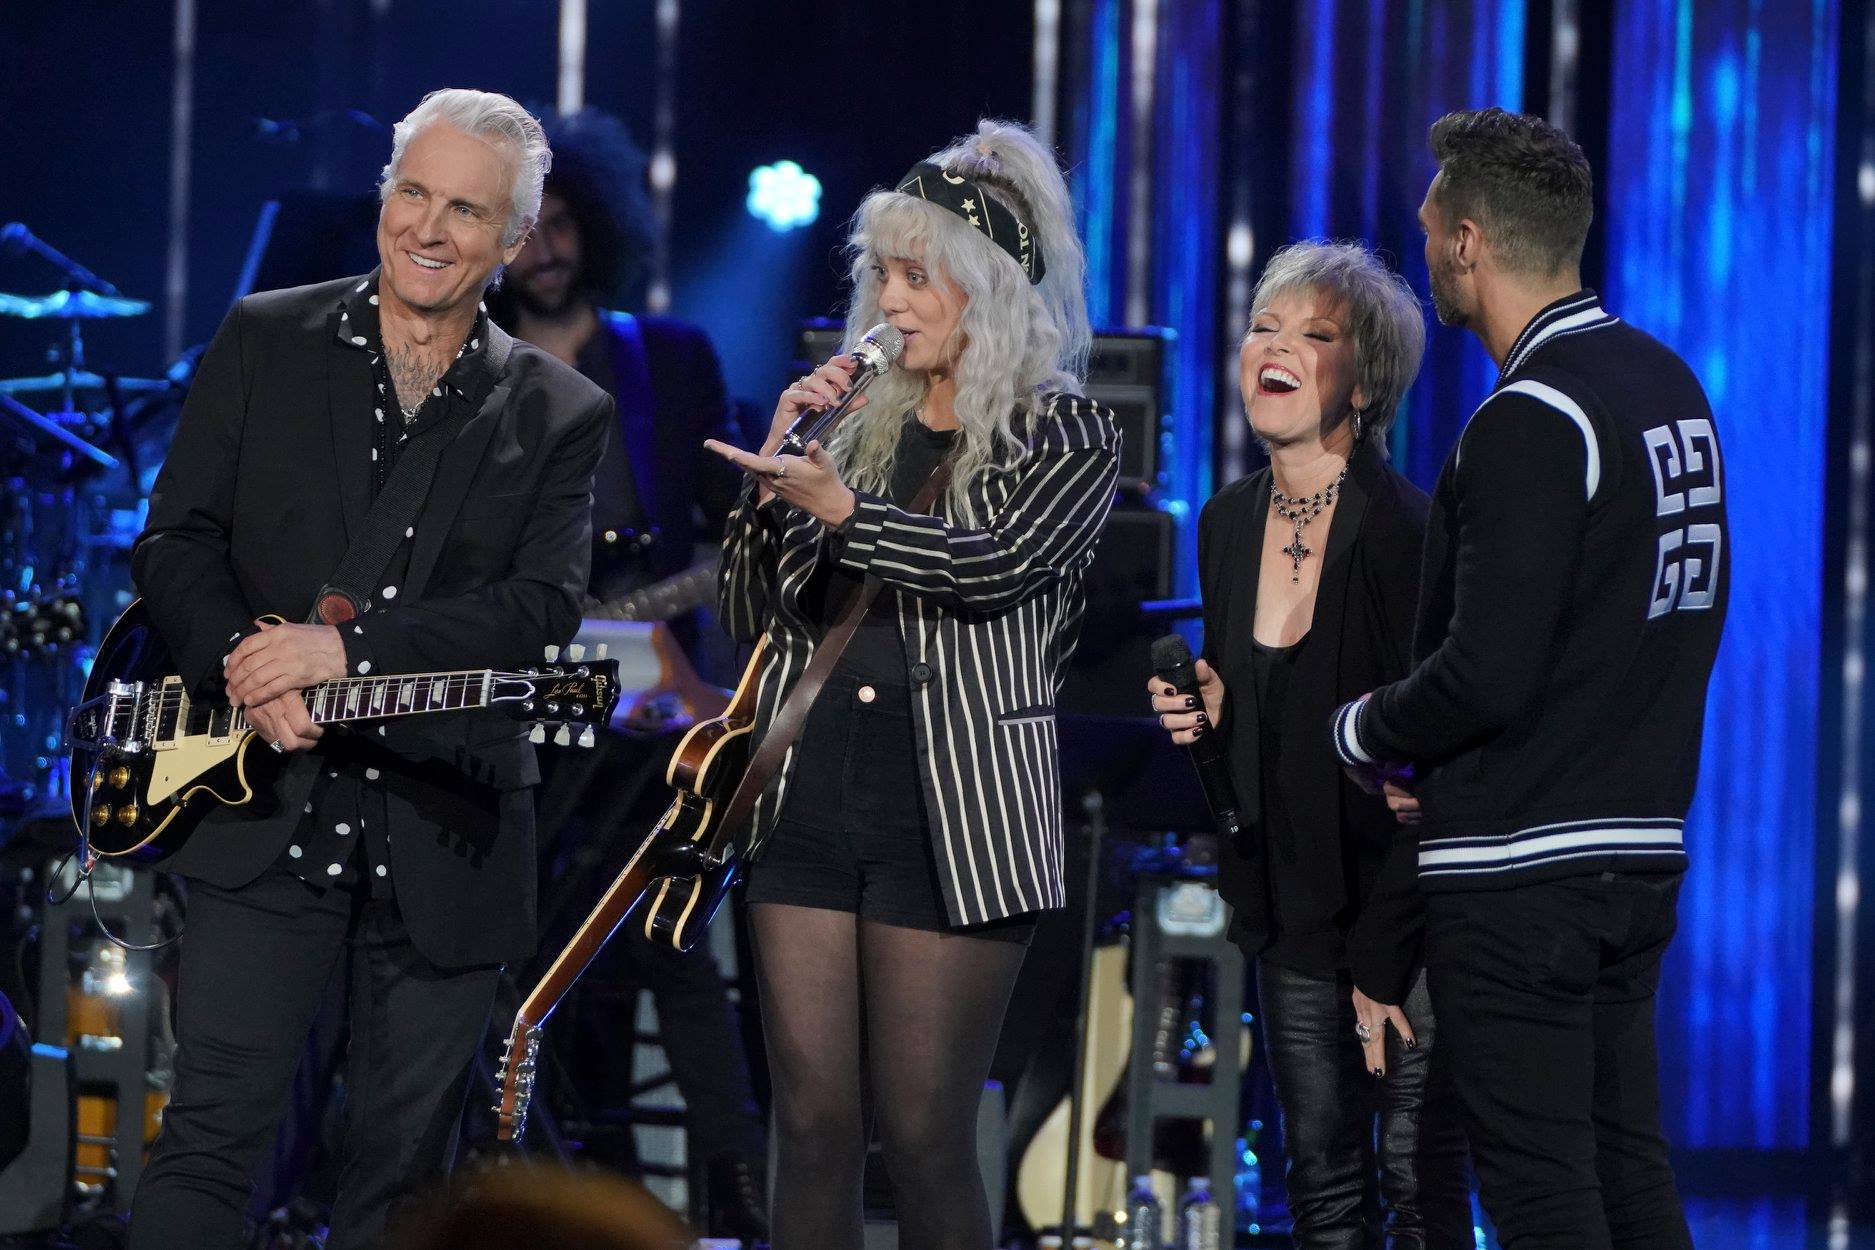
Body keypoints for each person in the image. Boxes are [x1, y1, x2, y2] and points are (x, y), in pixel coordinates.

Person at [125, 89, 612, 1250]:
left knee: (403, 1192)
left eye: (465, 210)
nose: (428, 229)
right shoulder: (265, 336)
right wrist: (250, 664)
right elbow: (174, 539)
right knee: (206, 1143)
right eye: (412, 193)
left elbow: (543, 608)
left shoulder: (560, 410)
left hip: (447, 826)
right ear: (383, 196)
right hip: (257, 803)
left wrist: (344, 651)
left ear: (512, 240)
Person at [706, 119, 1119, 1249]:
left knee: (927, 1132)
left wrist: (844, 510)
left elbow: (988, 569)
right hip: (810, 800)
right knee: (814, 1120)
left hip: (957, 820)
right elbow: (753, 615)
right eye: (882, 273)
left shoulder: (1068, 433)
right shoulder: (857, 425)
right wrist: (778, 462)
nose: (890, 297)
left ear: (983, 288)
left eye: (915, 274)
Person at [1331, 108, 1727, 1249]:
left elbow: (1488, 672)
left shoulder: (1529, 416)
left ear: (1467, 243)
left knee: (1543, 1189)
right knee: (1627, 1169)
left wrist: (1365, 730)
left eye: (1426, 227)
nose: (1420, 244)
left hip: (1525, 873)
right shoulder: (1669, 386)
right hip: (1634, 852)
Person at [1148, 241, 1471, 1247]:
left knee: (1414, 1178)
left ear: (1364, 380)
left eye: (1313, 335)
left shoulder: (1410, 532)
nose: (1274, 349)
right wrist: (1206, 703)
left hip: (1403, 907)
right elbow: (1262, 711)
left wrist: (1382, 958)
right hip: (1290, 905)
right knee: (1319, 1179)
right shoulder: (1226, 520)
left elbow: (1435, 755)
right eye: (1262, 329)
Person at [489, 110, 768, 1237]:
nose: (545, 247)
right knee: (505, 929)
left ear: (596, 227)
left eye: (561, 223)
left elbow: (734, 536)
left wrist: (641, 614)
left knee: (670, 942)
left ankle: (746, 1188)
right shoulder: (472, 368)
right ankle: (515, 1181)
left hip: (651, 693)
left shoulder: (675, 358)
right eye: (525, 228)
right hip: (512, 692)